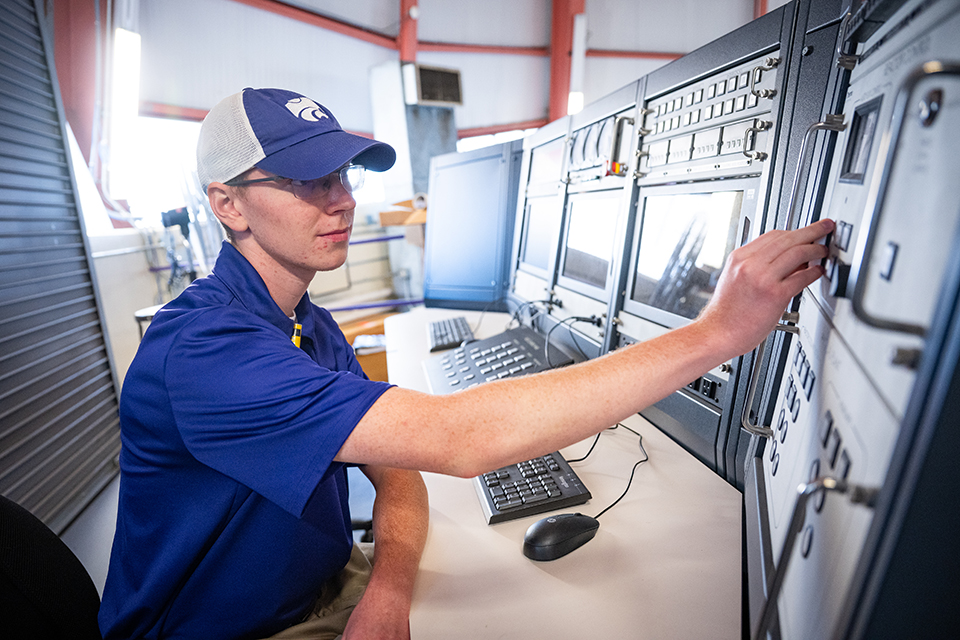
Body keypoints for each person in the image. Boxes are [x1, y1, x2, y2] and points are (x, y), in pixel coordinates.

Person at [99, 87, 834, 640]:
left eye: (343, 176)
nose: (342, 201)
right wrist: (715, 335)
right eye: (305, 183)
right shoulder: (206, 352)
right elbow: (459, 439)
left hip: (325, 586)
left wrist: (387, 584)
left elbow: (397, 464)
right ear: (228, 204)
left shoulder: (305, 324)